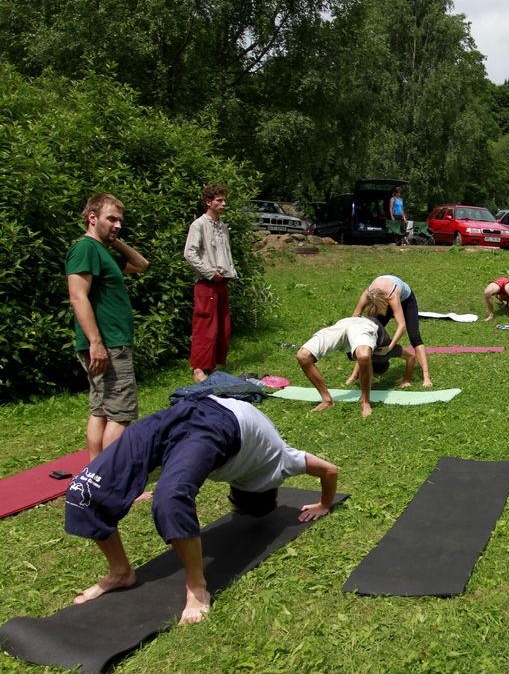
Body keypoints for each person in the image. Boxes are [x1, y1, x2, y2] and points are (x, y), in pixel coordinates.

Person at [64, 395, 339, 624]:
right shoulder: (282, 461)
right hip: (215, 416)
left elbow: (329, 470)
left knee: (101, 490)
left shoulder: (269, 468)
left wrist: (325, 503)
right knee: (89, 491)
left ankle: (197, 588)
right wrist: (324, 504)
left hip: (193, 414)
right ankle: (120, 571)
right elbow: (329, 469)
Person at [66, 194, 150, 460]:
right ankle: (111, 481)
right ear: (92, 218)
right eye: (111, 219)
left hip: (109, 343)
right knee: (121, 414)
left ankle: (95, 475)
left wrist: (113, 238)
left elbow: (141, 264)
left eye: (120, 221)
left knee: (100, 411)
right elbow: (77, 295)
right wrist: (96, 342)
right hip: (108, 344)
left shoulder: (102, 251)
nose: (117, 225)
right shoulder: (85, 249)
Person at [296, 297, 414, 418]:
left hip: (348, 322)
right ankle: (327, 400)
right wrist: (406, 379)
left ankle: (365, 402)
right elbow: (411, 356)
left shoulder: (365, 353)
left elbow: (362, 360)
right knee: (304, 356)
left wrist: (353, 377)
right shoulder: (387, 351)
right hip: (361, 324)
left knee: (362, 356)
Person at [184, 183, 236, 383]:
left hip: (222, 281)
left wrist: (227, 273)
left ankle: (212, 365)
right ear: (208, 202)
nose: (223, 204)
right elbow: (190, 253)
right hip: (206, 283)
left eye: (224, 200)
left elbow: (225, 253)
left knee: (222, 325)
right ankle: (198, 368)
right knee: (205, 325)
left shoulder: (222, 227)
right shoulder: (199, 224)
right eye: (219, 200)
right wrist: (209, 272)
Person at [353, 275, 432, 387]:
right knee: (370, 332)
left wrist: (389, 348)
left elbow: (402, 326)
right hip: (383, 297)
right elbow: (355, 317)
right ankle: (355, 375)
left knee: (415, 336)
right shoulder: (368, 294)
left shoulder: (392, 296)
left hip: (406, 301)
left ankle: (426, 377)